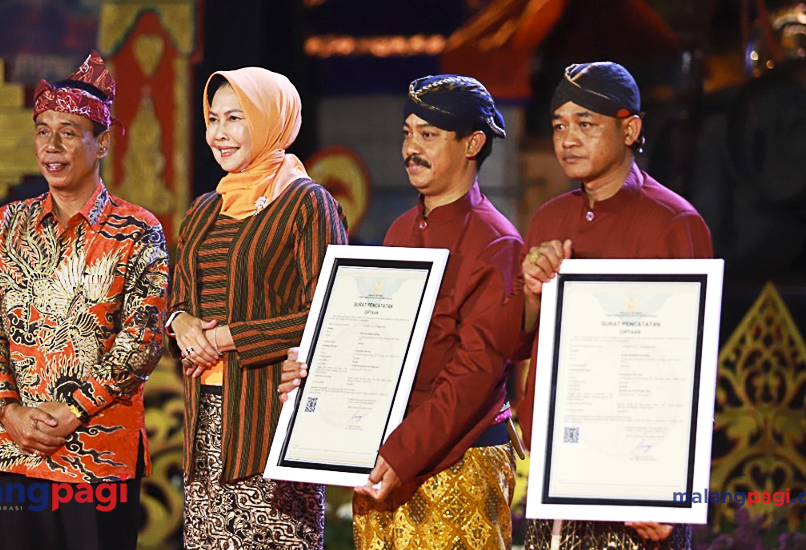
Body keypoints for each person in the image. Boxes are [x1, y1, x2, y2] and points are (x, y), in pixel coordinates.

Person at [280, 74, 526, 549]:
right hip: (383, 459)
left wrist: (400, 452)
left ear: (473, 143)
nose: (411, 148)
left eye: (429, 135)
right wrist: (315, 372)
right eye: (407, 133)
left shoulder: (496, 243)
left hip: (458, 463)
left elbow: (474, 373)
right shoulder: (400, 230)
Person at [0, 51, 169, 550]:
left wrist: (73, 412)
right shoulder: (6, 226)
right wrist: (9, 411)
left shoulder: (137, 229)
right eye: (42, 130)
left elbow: (142, 340)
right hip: (16, 453)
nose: (51, 146)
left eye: (68, 131)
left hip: (99, 454)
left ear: (101, 143)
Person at [518, 61, 714, 550]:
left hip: (638, 482)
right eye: (559, 125)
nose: (568, 138)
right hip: (558, 468)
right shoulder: (548, 219)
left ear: (630, 129)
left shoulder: (674, 223)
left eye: (586, 124)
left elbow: (689, 372)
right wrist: (531, 289)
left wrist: (668, 491)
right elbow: (516, 341)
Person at [167, 67, 348, 548]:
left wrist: (227, 338)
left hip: (273, 421)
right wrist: (180, 323)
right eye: (212, 119)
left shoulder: (307, 203)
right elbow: (180, 301)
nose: (219, 134)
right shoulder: (204, 209)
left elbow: (328, 313)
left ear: (271, 120)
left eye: (235, 118)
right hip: (205, 425)